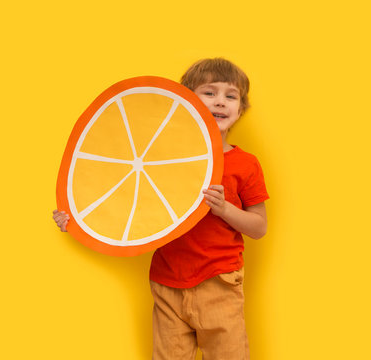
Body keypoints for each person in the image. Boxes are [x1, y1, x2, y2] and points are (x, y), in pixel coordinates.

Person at [53, 58, 268, 359]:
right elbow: (125, 194)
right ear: (185, 102)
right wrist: (75, 217)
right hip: (167, 282)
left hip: (220, 281)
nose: (220, 102)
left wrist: (224, 210)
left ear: (241, 109)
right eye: (209, 93)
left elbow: (259, 227)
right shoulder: (157, 159)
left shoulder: (246, 164)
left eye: (230, 96)